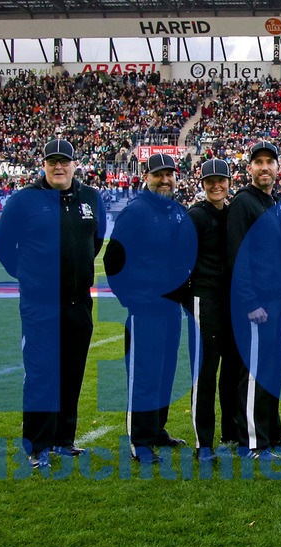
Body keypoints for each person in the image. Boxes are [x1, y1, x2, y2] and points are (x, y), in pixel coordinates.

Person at [0, 139, 105, 467]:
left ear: (74, 163)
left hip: (78, 302)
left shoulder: (90, 198)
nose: (58, 167)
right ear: (43, 164)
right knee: (41, 373)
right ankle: (37, 446)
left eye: (64, 161)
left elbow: (95, 241)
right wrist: (29, 276)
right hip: (40, 303)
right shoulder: (25, 199)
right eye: (52, 161)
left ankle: (63, 440)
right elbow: (2, 246)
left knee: (72, 372)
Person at [103, 153, 195, 463]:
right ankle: (139, 441)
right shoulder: (136, 212)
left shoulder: (176, 212)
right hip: (145, 310)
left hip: (171, 308)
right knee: (144, 374)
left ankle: (157, 429)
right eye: (159, 174)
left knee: (166, 371)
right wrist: (132, 299)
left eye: (170, 174)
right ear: (147, 176)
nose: (165, 180)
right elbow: (112, 260)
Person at [226, 141, 281, 461]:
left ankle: (272, 432)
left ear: (278, 167)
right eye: (259, 162)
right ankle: (253, 442)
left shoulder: (274, 202)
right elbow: (237, 256)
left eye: (270, 161)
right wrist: (249, 301)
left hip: (276, 300)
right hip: (258, 305)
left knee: (272, 371)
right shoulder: (243, 203)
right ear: (249, 167)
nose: (265, 167)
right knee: (255, 373)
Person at [185, 159, 241, 461]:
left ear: (229, 182)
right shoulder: (195, 215)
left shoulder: (231, 213)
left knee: (231, 370)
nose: (216, 186)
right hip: (205, 300)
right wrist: (190, 299)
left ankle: (230, 429)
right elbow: (179, 262)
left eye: (221, 180)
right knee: (205, 372)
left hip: (230, 301)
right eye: (210, 181)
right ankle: (202, 442)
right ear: (202, 183)